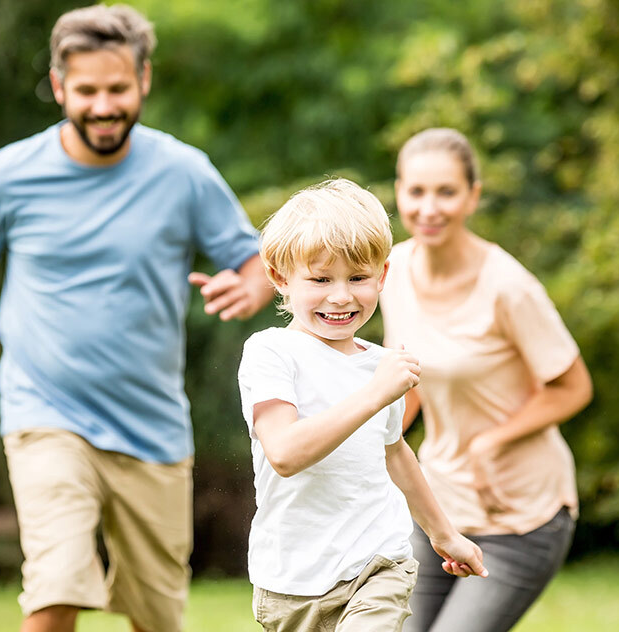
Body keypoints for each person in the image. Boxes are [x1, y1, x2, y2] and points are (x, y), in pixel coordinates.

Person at [0, 5, 273, 632]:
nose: (102, 106)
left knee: (159, 615)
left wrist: (250, 291)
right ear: (59, 83)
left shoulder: (182, 172)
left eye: (117, 89)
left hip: (152, 427)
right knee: (57, 581)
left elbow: (255, 260)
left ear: (143, 80)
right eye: (87, 90)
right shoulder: (10, 176)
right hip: (46, 414)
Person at [236, 179, 487, 631]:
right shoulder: (270, 352)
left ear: (382, 276)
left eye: (357, 278)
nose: (341, 296)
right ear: (280, 278)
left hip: (377, 564)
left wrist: (444, 535)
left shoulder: (382, 365)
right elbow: (286, 454)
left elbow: (395, 453)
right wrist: (375, 393)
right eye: (320, 279)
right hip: (291, 581)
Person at [379, 128, 594, 632]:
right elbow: (411, 382)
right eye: (416, 192)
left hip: (520, 513)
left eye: (446, 192)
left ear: (473, 196)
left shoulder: (508, 286)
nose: (429, 208)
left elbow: (574, 387)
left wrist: (491, 441)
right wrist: (372, 441)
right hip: (438, 506)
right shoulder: (396, 271)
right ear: (398, 192)